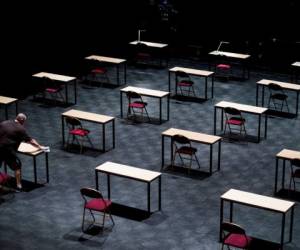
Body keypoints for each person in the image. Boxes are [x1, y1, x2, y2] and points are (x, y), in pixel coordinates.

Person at [0, 113, 43, 191]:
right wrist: (39, 146)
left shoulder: (4, 123)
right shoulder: (20, 129)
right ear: (22, 120)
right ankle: (19, 186)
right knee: (17, 167)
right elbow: (31, 140)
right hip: (7, 150)